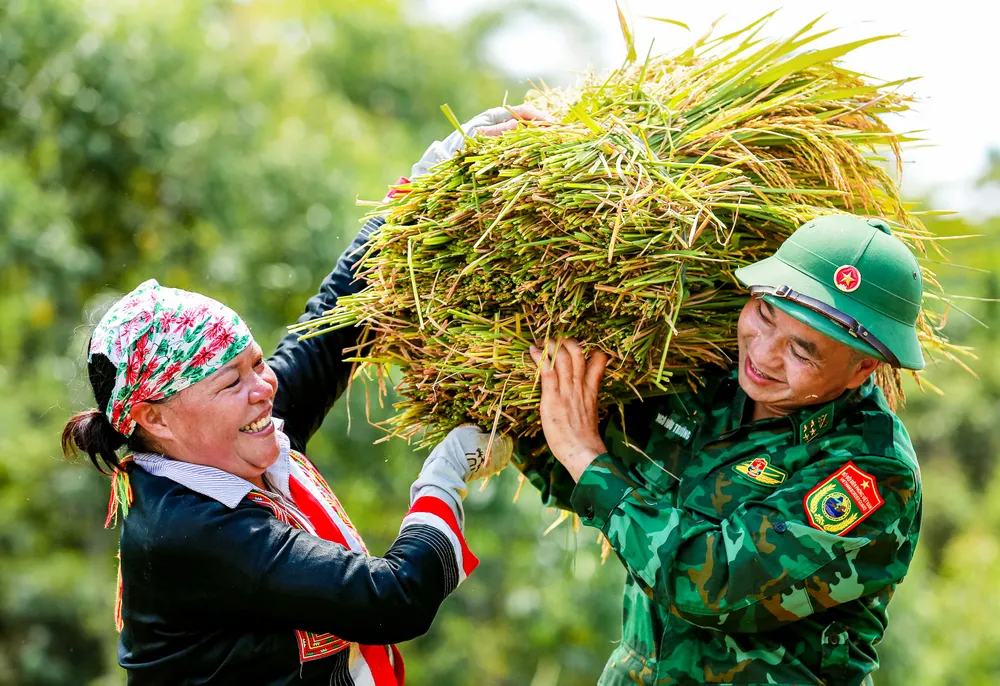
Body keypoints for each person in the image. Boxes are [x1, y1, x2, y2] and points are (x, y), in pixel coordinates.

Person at [60, 105, 545, 684]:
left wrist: (425, 187)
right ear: (154, 419)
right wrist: (445, 477)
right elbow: (391, 599)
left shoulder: (235, 427)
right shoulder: (188, 531)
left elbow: (335, 324)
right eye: (232, 381)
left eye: (257, 363)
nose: (265, 389)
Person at [519, 215, 925, 685]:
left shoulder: (871, 472)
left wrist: (580, 454)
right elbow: (604, 478)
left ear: (861, 369)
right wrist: (518, 434)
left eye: (801, 351)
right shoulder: (708, 384)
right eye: (764, 314)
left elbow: (714, 585)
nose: (763, 353)